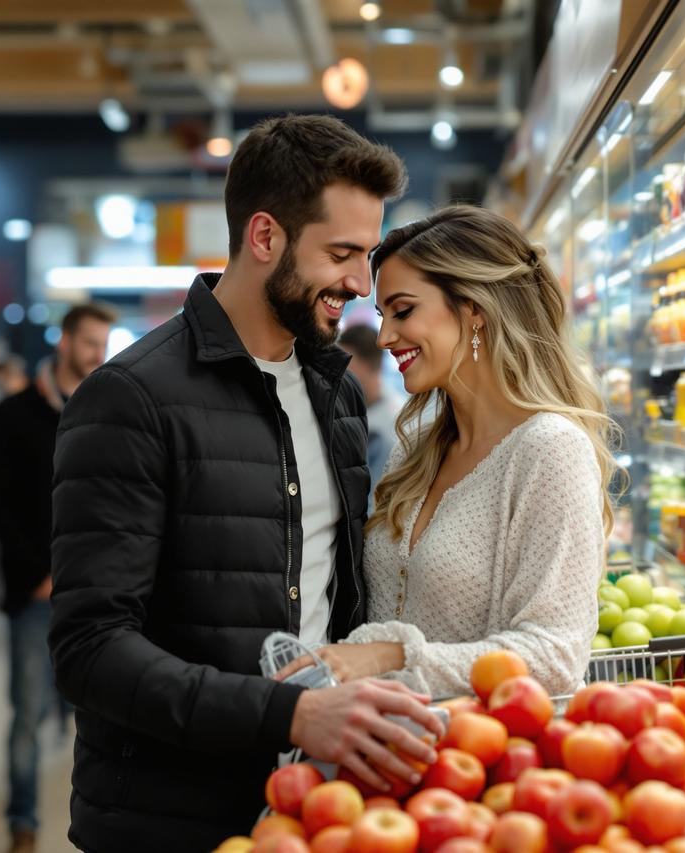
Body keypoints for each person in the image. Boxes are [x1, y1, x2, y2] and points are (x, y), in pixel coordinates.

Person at [49, 114, 445, 852]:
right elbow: (90, 648)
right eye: (341, 254)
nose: (360, 284)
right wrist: (288, 714)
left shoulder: (335, 392)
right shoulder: (130, 398)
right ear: (265, 237)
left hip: (315, 802)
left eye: (367, 256)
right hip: (166, 818)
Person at [288, 206, 616, 698]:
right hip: (391, 734)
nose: (385, 337)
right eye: (382, 316)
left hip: (485, 742)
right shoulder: (416, 449)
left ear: (474, 309)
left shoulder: (549, 449)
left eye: (403, 311)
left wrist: (391, 656)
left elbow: (556, 655)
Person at [0, 304, 114, 853]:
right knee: (28, 712)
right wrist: (37, 570)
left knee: (102, 712)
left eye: (103, 343)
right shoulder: (15, 413)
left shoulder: (110, 407)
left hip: (98, 592)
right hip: (36, 590)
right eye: (89, 342)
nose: (97, 354)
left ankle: (98, 820)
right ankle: (23, 820)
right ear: (64, 341)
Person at [339, 324, 402, 506]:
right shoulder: (349, 411)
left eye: (346, 365)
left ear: (367, 365)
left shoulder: (389, 431)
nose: (339, 373)